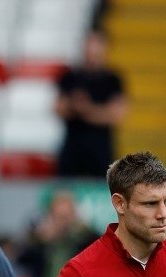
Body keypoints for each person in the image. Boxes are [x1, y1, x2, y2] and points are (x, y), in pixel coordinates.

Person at [55, 31, 127, 178]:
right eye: (89, 44)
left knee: (103, 194)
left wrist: (86, 109)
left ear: (104, 47)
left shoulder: (112, 80)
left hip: (101, 151)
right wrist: (74, 106)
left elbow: (117, 115)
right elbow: (58, 108)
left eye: (96, 45)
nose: (92, 50)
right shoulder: (70, 76)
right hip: (72, 150)